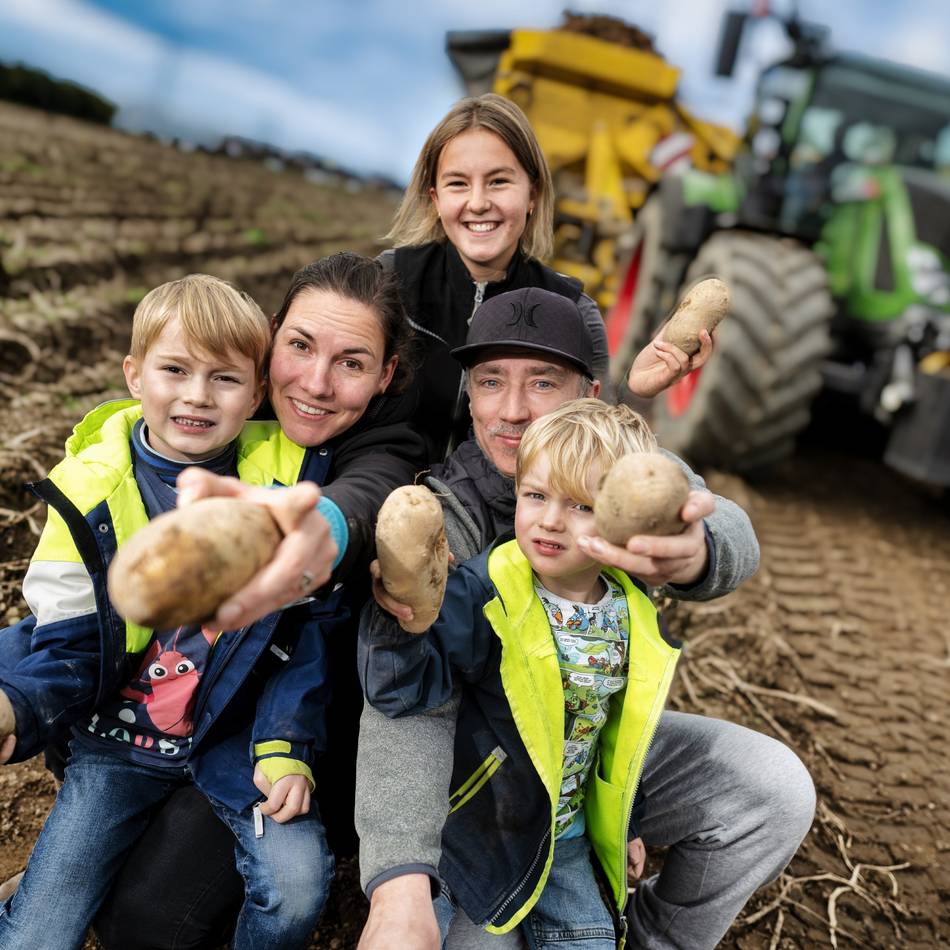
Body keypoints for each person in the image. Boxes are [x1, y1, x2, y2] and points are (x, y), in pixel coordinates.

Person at [355, 289, 815, 949]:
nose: (513, 410)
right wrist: (400, 875)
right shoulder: (448, 519)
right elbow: (404, 696)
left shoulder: (616, 476)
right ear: (469, 392)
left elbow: (722, 525)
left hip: (575, 796)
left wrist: (695, 551)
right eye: (491, 382)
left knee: (771, 788)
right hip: (486, 800)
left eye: (542, 381)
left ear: (590, 393)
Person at [0, 254, 426, 948]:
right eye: (301, 348)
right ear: (135, 374)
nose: (198, 396)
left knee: (284, 888)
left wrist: (286, 745)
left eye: (223, 378)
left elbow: (308, 631)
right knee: (44, 921)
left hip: (236, 738)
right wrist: (18, 698)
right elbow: (66, 630)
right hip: (119, 741)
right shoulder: (93, 487)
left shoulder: (295, 470)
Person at [361, 398, 687, 945]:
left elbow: (615, 737)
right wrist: (406, 622)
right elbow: (403, 688)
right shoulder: (483, 592)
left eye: (580, 506)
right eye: (535, 496)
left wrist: (627, 825)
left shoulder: (631, 612)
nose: (550, 520)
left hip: (570, 838)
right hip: (485, 835)